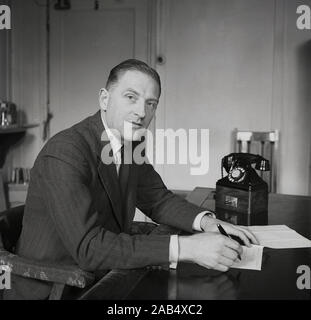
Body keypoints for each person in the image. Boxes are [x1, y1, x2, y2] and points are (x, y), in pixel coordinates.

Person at [5, 59, 258, 300]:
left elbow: (157, 199)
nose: (141, 112)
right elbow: (88, 248)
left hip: (105, 274)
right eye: (131, 98)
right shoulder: (65, 152)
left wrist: (208, 223)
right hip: (57, 287)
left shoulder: (130, 143)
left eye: (151, 103)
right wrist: (188, 249)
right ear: (104, 99)